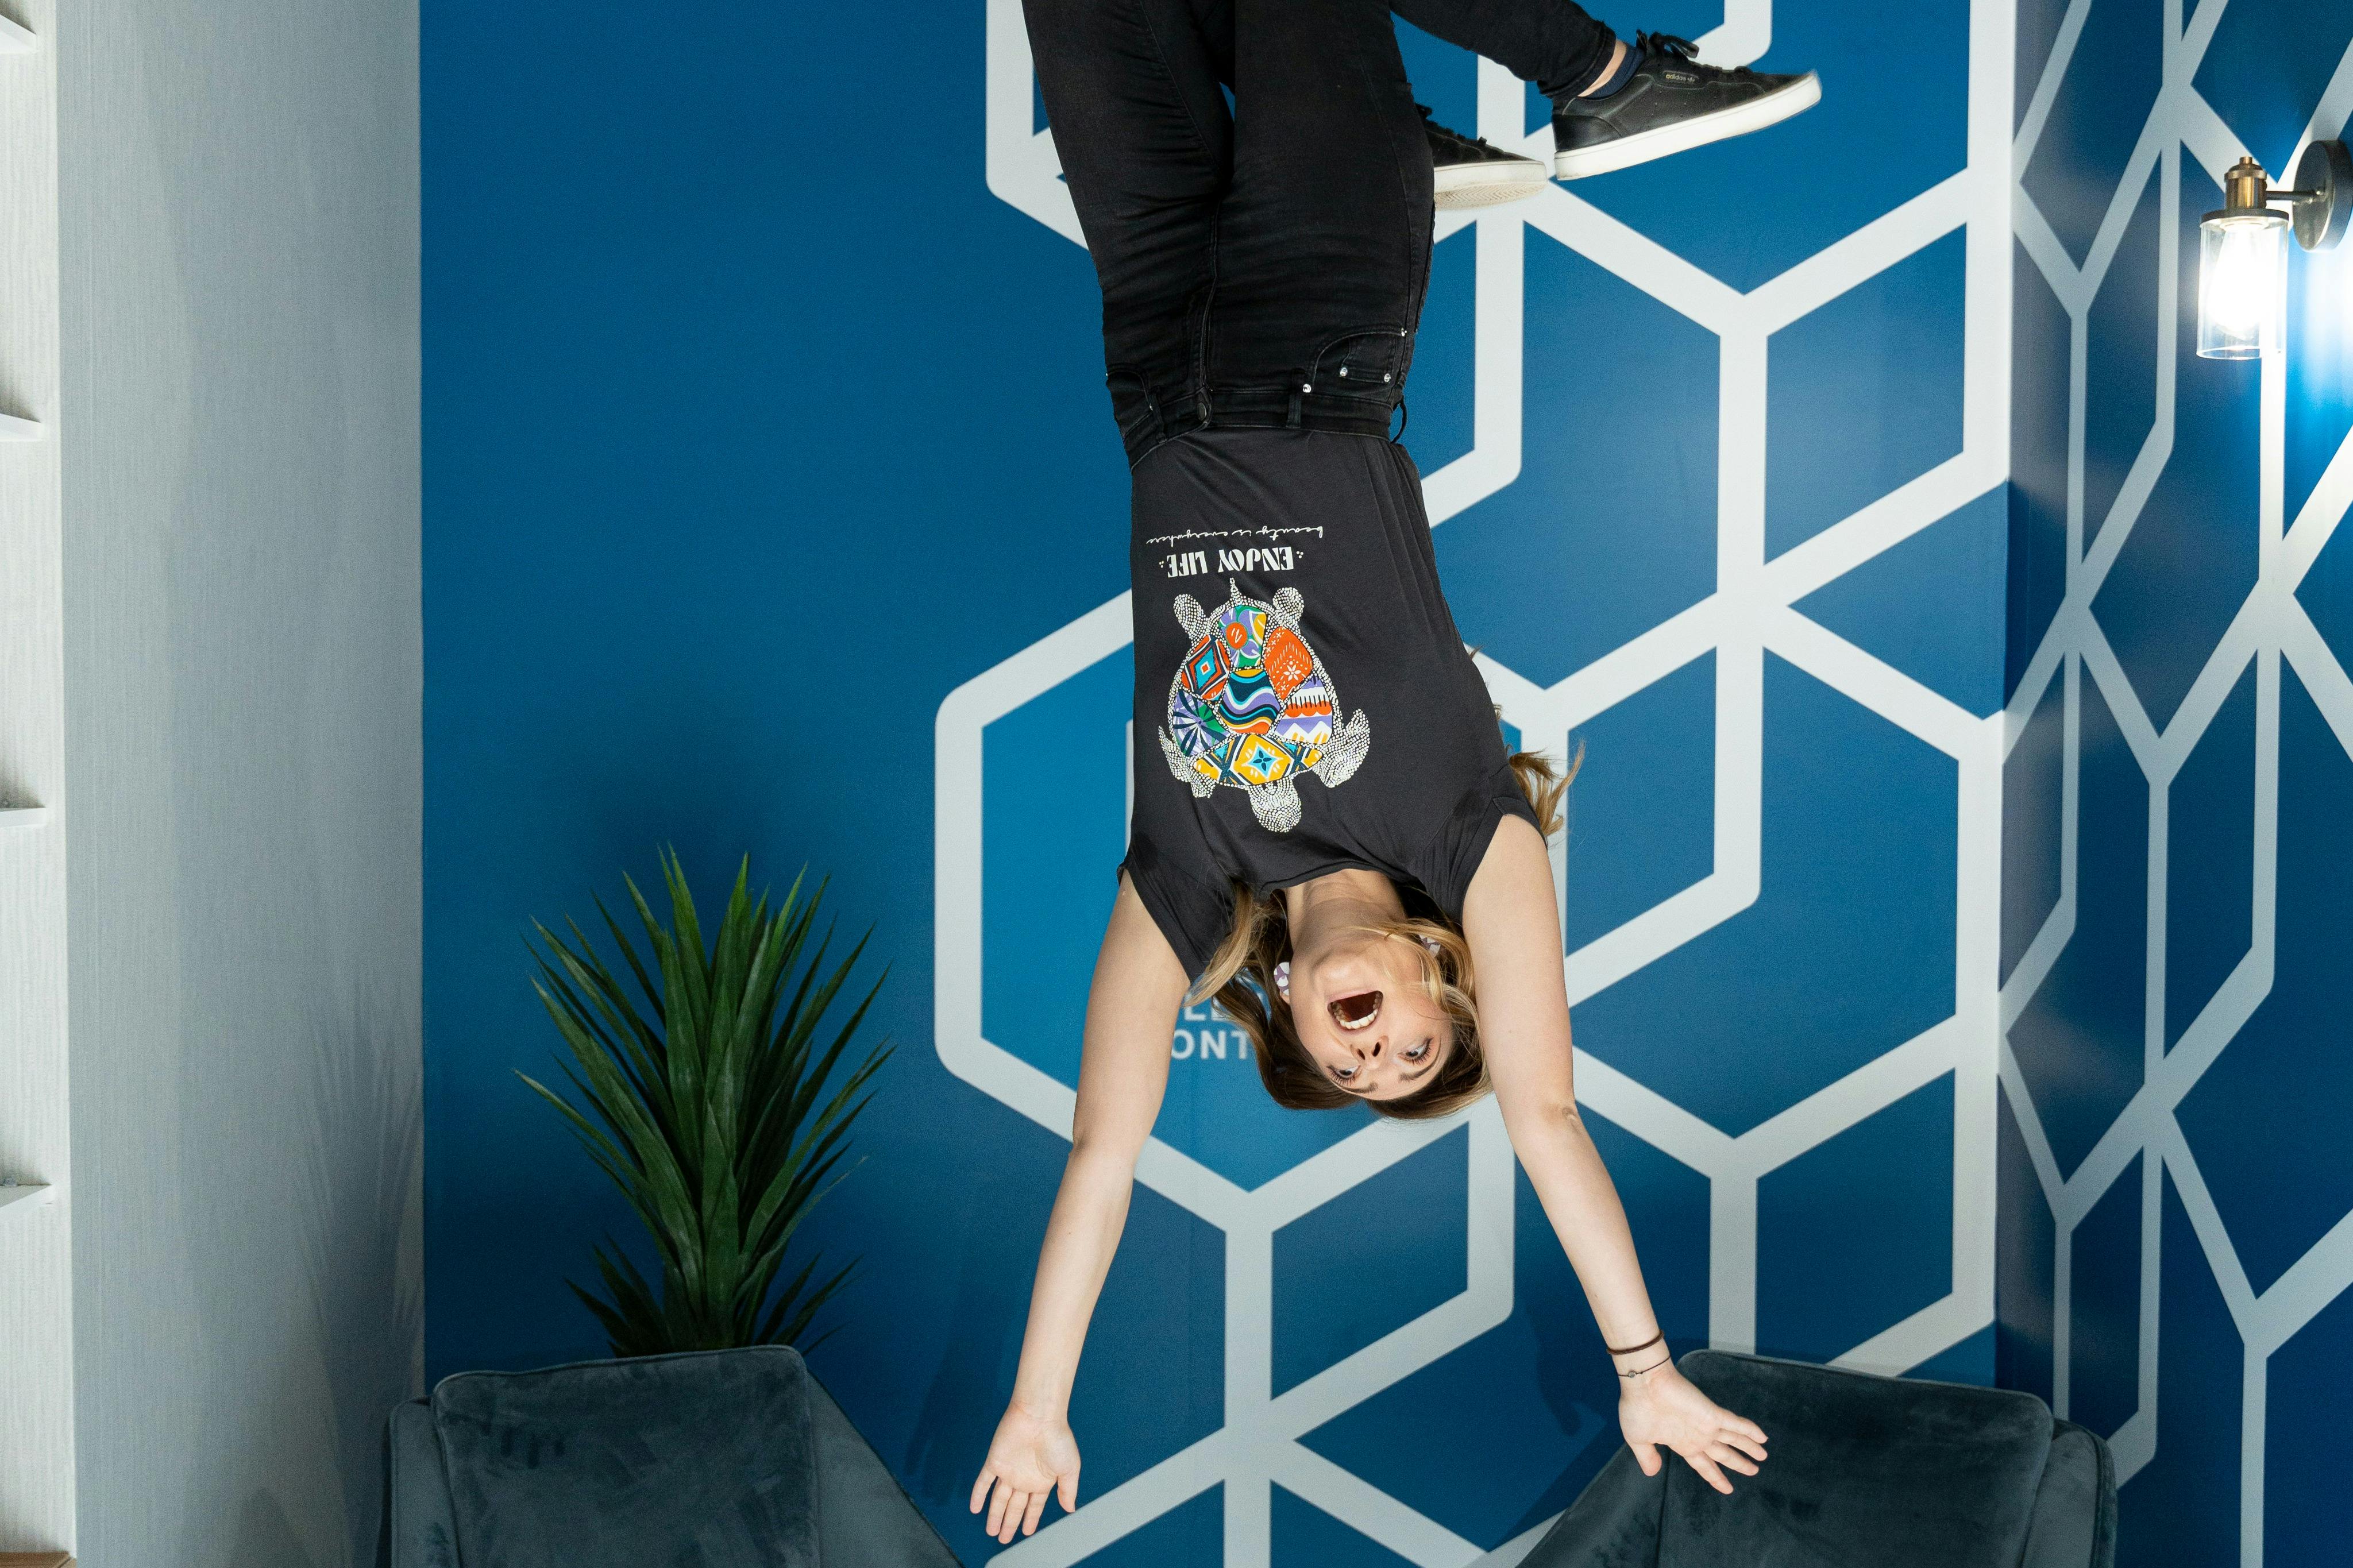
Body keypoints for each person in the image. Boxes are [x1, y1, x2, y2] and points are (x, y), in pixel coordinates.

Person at [970, 0, 1812, 1546]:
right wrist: (1645, 1371)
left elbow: (1105, 1149)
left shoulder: (1189, 879)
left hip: (1152, 340)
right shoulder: (1466, 828)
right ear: (1443, 974)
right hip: (1319, 326)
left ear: (1294, 1017)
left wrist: (1039, 1403)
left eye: (1352, 1071)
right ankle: (1601, 82)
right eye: (1418, 1054)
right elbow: (1546, 1117)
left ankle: (1390, 137)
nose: (1374, 1058)